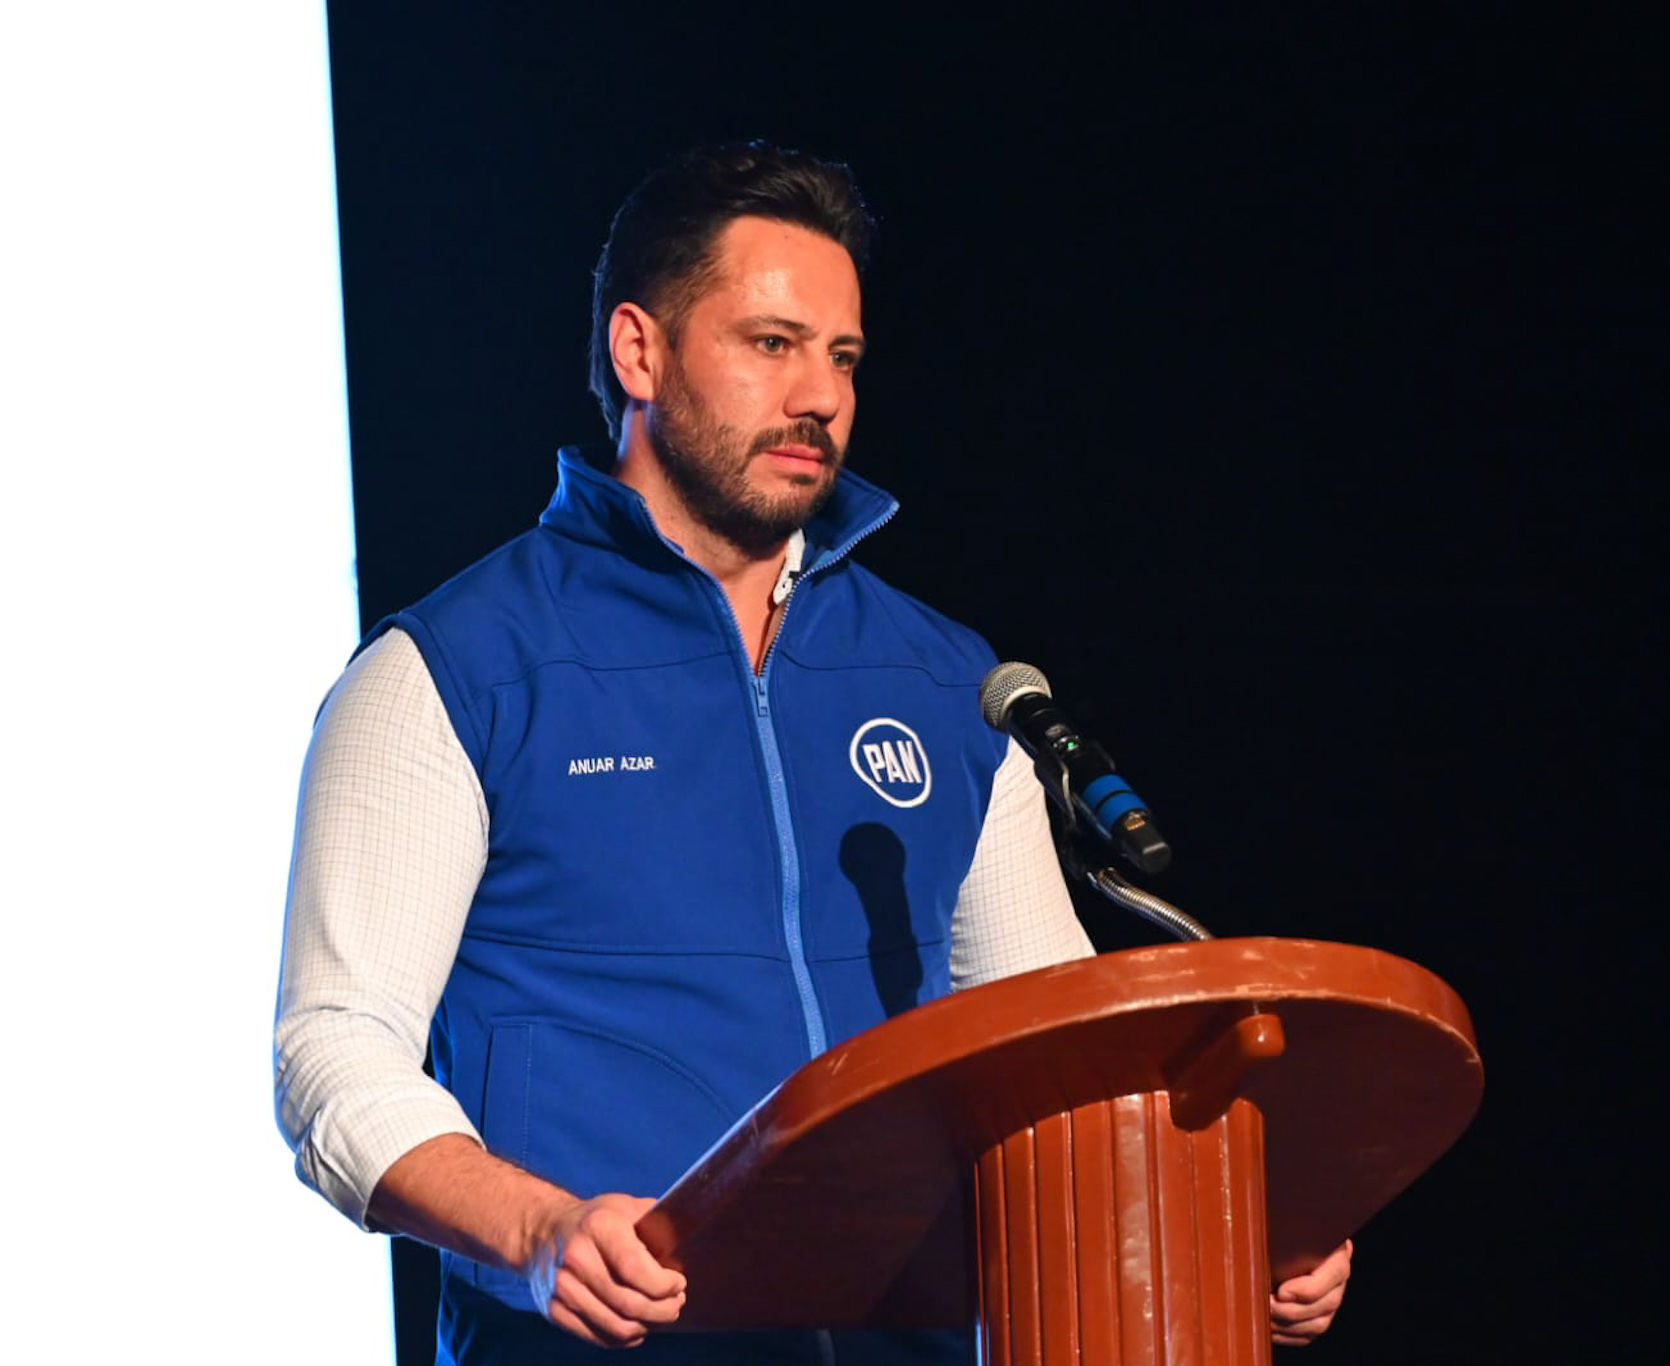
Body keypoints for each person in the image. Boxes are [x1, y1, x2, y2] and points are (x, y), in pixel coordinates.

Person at [274, 142, 1350, 1363]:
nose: (820, 396)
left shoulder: (950, 684)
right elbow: (332, 1051)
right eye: (771, 343)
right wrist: (537, 1229)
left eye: (841, 356)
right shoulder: (453, 671)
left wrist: (1229, 1216)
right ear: (639, 352)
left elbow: (1055, 1064)